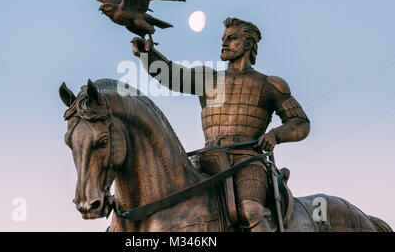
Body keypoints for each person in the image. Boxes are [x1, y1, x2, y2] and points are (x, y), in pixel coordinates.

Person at [130, 17, 310, 231]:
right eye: (223, 39)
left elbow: (300, 123)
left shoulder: (270, 84)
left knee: (250, 210)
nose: (224, 43)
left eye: (232, 39)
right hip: (207, 161)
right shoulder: (208, 79)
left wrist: (275, 135)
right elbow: (171, 75)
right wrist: (147, 55)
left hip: (247, 161)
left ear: (249, 44)